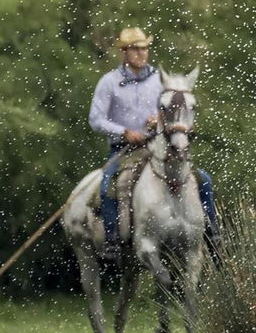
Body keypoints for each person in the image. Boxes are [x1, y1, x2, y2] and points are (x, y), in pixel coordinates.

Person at [88, 27, 217, 262]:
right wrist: (124, 132)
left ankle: (212, 234)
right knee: (108, 185)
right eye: (136, 49)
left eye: (144, 48)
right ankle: (112, 241)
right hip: (124, 150)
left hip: (158, 147)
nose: (141, 53)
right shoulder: (109, 83)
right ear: (124, 52)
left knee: (204, 180)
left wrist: (159, 119)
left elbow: (174, 110)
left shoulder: (161, 81)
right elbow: (96, 120)